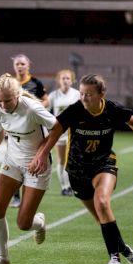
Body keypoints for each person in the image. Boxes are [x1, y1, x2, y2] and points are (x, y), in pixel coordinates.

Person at [29, 74, 133, 264]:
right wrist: (42, 154)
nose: (84, 98)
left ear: (102, 94)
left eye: (89, 94)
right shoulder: (75, 110)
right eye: (81, 93)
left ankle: (114, 260)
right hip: (77, 170)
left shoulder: (112, 109)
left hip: (104, 164)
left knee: (102, 203)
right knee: (102, 218)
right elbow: (54, 131)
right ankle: (126, 251)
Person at [0, 73, 57, 264]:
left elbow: (58, 129)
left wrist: (41, 155)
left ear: (18, 94)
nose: (3, 105)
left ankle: (39, 222)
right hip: (12, 161)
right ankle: (3, 259)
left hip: (37, 166)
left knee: (23, 224)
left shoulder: (32, 109)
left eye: (8, 100)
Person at [9, 53, 49, 208]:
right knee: (14, 161)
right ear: (14, 66)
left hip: (32, 128)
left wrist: (37, 108)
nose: (20, 66)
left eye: (22, 64)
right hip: (13, 128)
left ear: (28, 65)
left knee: (30, 161)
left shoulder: (35, 83)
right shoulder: (10, 83)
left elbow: (46, 100)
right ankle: (16, 197)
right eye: (17, 64)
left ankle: (30, 195)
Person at [47, 68, 81, 196]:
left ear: (72, 81)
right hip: (60, 132)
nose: (65, 80)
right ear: (59, 80)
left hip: (74, 132)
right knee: (62, 160)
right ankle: (65, 187)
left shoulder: (77, 94)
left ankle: (73, 185)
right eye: (63, 78)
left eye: (68, 78)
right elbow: (45, 111)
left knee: (73, 160)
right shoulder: (53, 95)